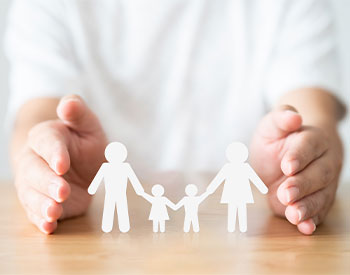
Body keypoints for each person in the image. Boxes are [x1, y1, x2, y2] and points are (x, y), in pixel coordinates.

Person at [4, 0, 346, 235]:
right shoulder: (49, 6)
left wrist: (301, 156)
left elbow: (311, 113)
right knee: (117, 213)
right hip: (107, 240)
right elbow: (37, 115)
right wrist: (46, 166)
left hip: (246, 245)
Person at [206, 142, 268, 232]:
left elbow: (254, 178)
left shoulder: (245, 167)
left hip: (241, 194)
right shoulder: (228, 167)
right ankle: (232, 227)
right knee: (233, 210)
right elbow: (219, 178)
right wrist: (211, 188)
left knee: (240, 210)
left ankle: (241, 227)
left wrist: (263, 188)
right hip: (233, 194)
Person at [88, 142, 144, 233]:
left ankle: (124, 226)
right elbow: (98, 178)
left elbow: (133, 179)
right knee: (109, 208)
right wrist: (92, 188)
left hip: (121, 194)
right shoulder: (105, 167)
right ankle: (107, 226)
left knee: (121, 208)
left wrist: (139, 189)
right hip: (110, 194)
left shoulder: (125, 167)